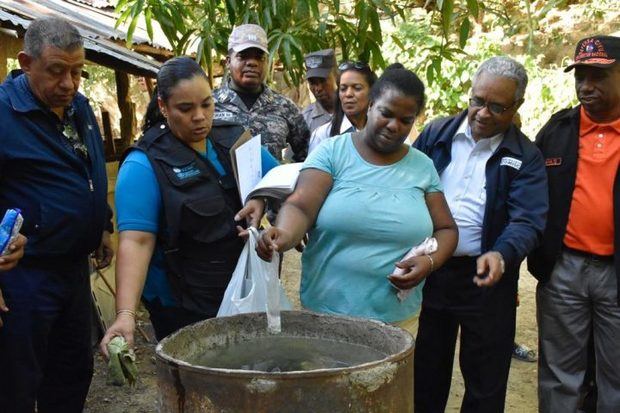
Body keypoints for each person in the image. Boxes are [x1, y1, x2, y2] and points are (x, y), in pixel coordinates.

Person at [257, 64, 458, 335]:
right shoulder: (332, 152)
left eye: (405, 120)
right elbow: (301, 206)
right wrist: (283, 234)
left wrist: (429, 262)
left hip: (397, 321)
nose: (393, 126)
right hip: (326, 315)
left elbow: (446, 229)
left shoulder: (422, 167)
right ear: (372, 105)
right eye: (386, 114)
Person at [100, 57, 278, 352]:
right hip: (183, 306)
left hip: (244, 291)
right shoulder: (144, 164)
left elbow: (284, 178)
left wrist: (261, 198)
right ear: (163, 107)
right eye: (186, 108)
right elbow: (137, 242)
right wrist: (125, 315)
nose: (199, 116)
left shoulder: (233, 140)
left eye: (207, 105)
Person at [413, 56, 548, 413]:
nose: (483, 113)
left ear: (517, 106)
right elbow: (406, 188)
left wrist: (501, 253)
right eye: (477, 101)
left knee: (485, 382)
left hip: (487, 279)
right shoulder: (436, 135)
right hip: (431, 271)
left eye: (497, 107)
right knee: (424, 371)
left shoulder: (525, 156)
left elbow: (528, 220)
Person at [0, 17, 114, 413]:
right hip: (24, 276)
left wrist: (102, 223)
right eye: (57, 71)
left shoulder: (78, 107)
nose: (69, 82)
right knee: (16, 381)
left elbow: (90, 169)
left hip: (72, 271)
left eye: (78, 71)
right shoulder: (3, 113)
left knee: (72, 371)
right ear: (27, 62)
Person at [528, 35, 620, 412]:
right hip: (563, 271)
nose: (586, 86)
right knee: (560, 376)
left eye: (598, 76)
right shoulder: (558, 129)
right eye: (580, 76)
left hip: (616, 275)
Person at [213, 24, 310, 161]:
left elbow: (307, 154)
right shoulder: (209, 105)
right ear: (228, 62)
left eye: (260, 57)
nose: (252, 62)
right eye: (243, 56)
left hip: (272, 182)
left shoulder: (285, 106)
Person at [308, 60, 377, 153]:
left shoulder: (381, 130)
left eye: (357, 88)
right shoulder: (323, 135)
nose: (348, 94)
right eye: (343, 89)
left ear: (372, 91)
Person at [301, 49, 337, 133]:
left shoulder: (353, 111)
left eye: (322, 81)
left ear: (336, 76)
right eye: (313, 83)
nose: (318, 88)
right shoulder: (305, 120)